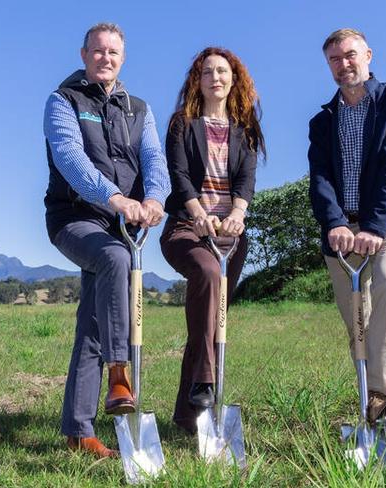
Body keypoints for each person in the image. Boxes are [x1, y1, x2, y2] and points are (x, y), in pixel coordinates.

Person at [43, 23, 170, 457]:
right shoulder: (64, 101)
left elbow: (154, 157)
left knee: (93, 325)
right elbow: (70, 158)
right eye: (98, 51)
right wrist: (114, 198)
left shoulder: (139, 109)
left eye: (113, 52)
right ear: (84, 55)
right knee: (115, 259)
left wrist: (153, 198)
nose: (106, 58)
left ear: (123, 57)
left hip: (124, 224)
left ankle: (79, 432)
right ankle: (120, 374)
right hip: (75, 219)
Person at [308, 28, 386, 428]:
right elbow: (320, 178)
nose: (345, 64)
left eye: (351, 55)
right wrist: (336, 222)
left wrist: (373, 226)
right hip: (342, 233)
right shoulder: (323, 121)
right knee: (358, 316)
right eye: (335, 60)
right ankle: (371, 403)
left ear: (368, 55)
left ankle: (379, 395)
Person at [160, 47, 265, 434]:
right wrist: (199, 213)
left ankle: (188, 417)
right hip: (186, 228)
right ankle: (206, 380)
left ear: (233, 79)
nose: (215, 78)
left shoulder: (245, 129)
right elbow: (179, 173)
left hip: (229, 237)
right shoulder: (182, 124)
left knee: (208, 322)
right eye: (207, 72)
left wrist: (236, 215)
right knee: (206, 273)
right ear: (197, 81)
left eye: (223, 71)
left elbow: (246, 180)